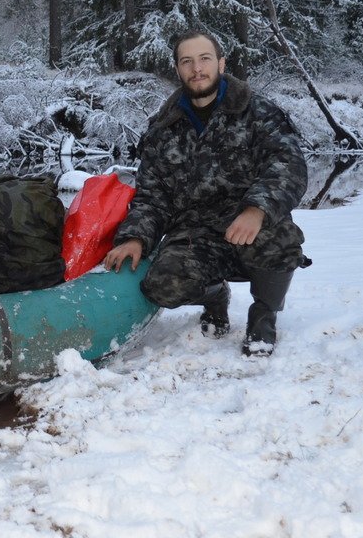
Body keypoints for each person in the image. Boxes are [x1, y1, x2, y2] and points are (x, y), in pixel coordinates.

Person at [103, 30, 308, 356]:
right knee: (161, 286)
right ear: (178, 68)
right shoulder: (162, 128)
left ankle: (264, 316)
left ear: (221, 63)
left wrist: (257, 209)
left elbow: (289, 166)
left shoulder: (258, 112)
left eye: (204, 59)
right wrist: (135, 237)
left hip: (249, 223)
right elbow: (152, 196)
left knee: (283, 240)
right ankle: (215, 296)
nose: (196, 69)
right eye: (187, 61)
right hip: (195, 231)